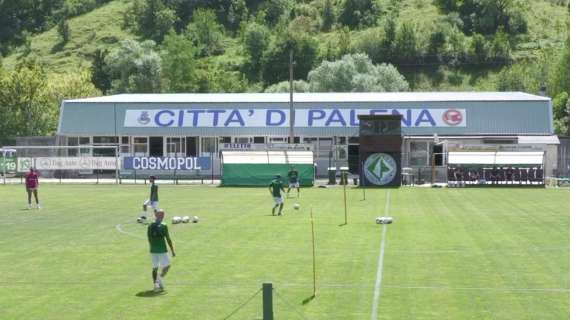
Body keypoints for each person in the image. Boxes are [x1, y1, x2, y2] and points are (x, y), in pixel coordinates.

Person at [147, 209, 175, 292]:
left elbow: (149, 238)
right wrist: (172, 250)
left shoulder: (150, 225)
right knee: (167, 266)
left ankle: (156, 285)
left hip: (153, 250)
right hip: (162, 250)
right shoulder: (164, 225)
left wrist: (152, 246)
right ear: (162, 216)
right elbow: (168, 239)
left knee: (155, 268)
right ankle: (159, 279)